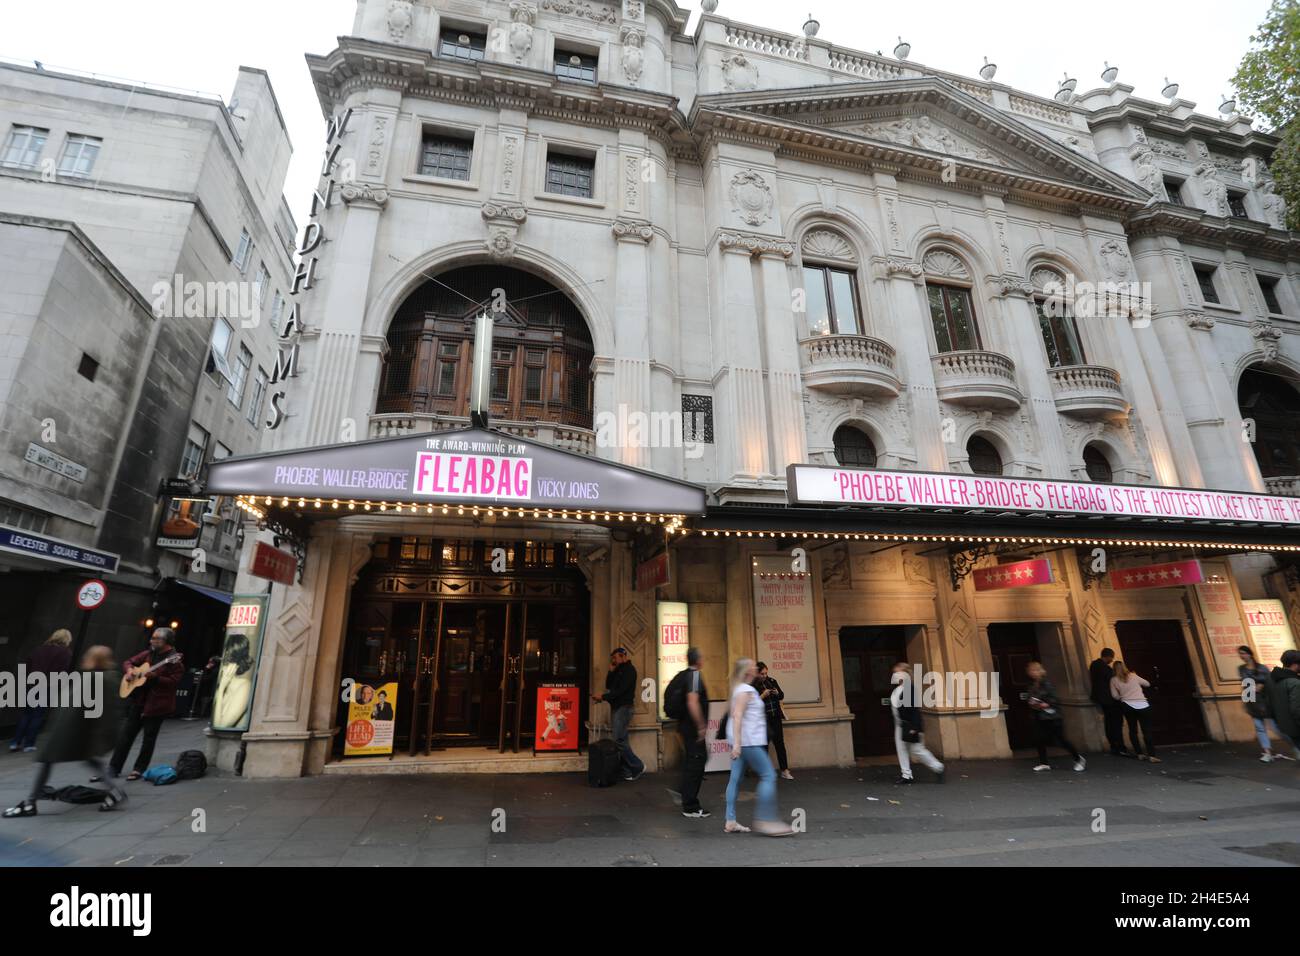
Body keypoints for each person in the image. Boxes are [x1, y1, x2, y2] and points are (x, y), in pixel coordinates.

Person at [4, 645, 125, 817]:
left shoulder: (97, 679)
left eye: (88, 657)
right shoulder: (101, 677)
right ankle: (114, 791)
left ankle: (31, 802)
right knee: (88, 761)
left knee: (48, 760)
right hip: (76, 730)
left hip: (72, 730)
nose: (84, 659)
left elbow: (98, 710)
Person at [723, 658, 793, 836]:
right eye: (753, 666)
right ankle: (766, 820)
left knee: (735, 779)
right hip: (749, 742)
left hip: (743, 741)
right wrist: (738, 744)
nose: (756, 668)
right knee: (768, 775)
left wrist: (736, 743)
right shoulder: (746, 690)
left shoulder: (738, 689)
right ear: (748, 671)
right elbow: (737, 715)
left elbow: (736, 715)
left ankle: (730, 821)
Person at [103, 627, 183, 782]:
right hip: (139, 701)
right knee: (125, 736)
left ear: (166, 642)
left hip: (157, 705)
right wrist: (129, 671)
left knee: (148, 739)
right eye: (152, 638)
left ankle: (139, 769)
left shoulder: (174, 661)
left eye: (155, 639)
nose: (151, 641)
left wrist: (155, 677)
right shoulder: (148, 654)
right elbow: (128, 662)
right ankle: (114, 767)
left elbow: (174, 682)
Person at [9, 628, 72, 753]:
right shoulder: (65, 652)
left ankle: (15, 742)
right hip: (48, 686)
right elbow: (62, 671)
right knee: (37, 715)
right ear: (67, 639)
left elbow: (28, 665)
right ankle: (29, 744)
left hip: (32, 684)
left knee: (26, 713)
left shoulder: (39, 649)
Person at [592, 646, 643, 781]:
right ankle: (627, 770)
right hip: (618, 708)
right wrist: (610, 671)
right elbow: (609, 686)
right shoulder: (619, 670)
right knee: (622, 739)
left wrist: (602, 697)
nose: (613, 660)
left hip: (624, 708)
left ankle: (637, 766)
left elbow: (619, 691)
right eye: (612, 658)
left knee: (619, 740)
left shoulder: (629, 671)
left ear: (623, 656)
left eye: (615, 658)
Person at [890, 662, 945, 784]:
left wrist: (915, 727)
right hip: (900, 725)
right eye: (894, 673)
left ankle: (938, 767)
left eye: (898, 672)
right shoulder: (897, 689)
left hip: (910, 724)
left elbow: (915, 710)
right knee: (901, 749)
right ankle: (906, 775)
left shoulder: (909, 688)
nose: (895, 675)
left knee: (917, 750)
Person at [1026, 661, 1086, 773]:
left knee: (1061, 740)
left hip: (1052, 717)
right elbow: (1030, 697)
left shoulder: (1047, 684)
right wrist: (1032, 702)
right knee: (1039, 739)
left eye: (1034, 670)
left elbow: (1055, 699)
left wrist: (1045, 703)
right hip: (1039, 716)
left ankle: (1078, 759)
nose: (1032, 673)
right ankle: (1044, 763)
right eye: (1031, 671)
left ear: (1040, 671)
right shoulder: (1033, 685)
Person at [1237, 645, 1288, 762]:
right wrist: (1246, 702)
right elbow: (1246, 686)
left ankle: (1295, 744)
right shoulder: (1241, 669)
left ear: (1250, 654)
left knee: (1275, 728)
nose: (1242, 656)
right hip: (1252, 700)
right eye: (1240, 653)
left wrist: (1259, 686)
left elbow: (1268, 683)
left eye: (1244, 653)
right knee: (1259, 727)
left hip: (1266, 701)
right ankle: (1267, 753)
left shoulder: (1262, 668)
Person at [678, 648, 710, 819]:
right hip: (692, 728)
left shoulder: (685, 675)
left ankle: (684, 792)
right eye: (702, 657)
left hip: (685, 726)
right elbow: (692, 702)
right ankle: (690, 805)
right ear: (698, 660)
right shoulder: (695, 675)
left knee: (695, 760)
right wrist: (701, 726)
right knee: (696, 762)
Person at [1109, 661, 1159, 763]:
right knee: (1146, 730)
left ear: (1114, 669)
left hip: (1127, 705)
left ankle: (1139, 753)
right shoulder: (1133, 676)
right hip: (1143, 705)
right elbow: (1147, 684)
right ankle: (1152, 755)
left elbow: (1114, 696)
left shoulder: (1113, 680)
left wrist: (1123, 697)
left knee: (1133, 730)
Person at [1088, 647, 1129, 757]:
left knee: (1109, 723)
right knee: (1116, 723)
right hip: (1111, 700)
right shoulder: (1105, 668)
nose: (1111, 661)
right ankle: (1120, 747)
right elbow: (1113, 679)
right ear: (1108, 657)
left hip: (1102, 699)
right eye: (1111, 658)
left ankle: (1113, 746)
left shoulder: (1094, 665)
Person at [755, 662, 792, 780]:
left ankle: (784, 770)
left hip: (775, 717)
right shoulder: (753, 685)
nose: (765, 676)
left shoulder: (772, 681)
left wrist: (777, 693)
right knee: (764, 745)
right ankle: (764, 772)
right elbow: (751, 704)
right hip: (763, 719)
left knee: (779, 743)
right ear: (757, 673)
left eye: (766, 673)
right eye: (762, 674)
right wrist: (762, 695)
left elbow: (781, 695)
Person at [211, 631, 256, 729]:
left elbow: (220, 726)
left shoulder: (245, 687)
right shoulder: (224, 685)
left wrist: (222, 687)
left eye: (227, 659)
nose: (223, 663)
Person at [1265, 649, 1300, 761]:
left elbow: (1269, 701)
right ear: (1295, 665)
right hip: (1296, 726)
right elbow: (1296, 709)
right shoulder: (1294, 683)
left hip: (1284, 725)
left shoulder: (1270, 678)